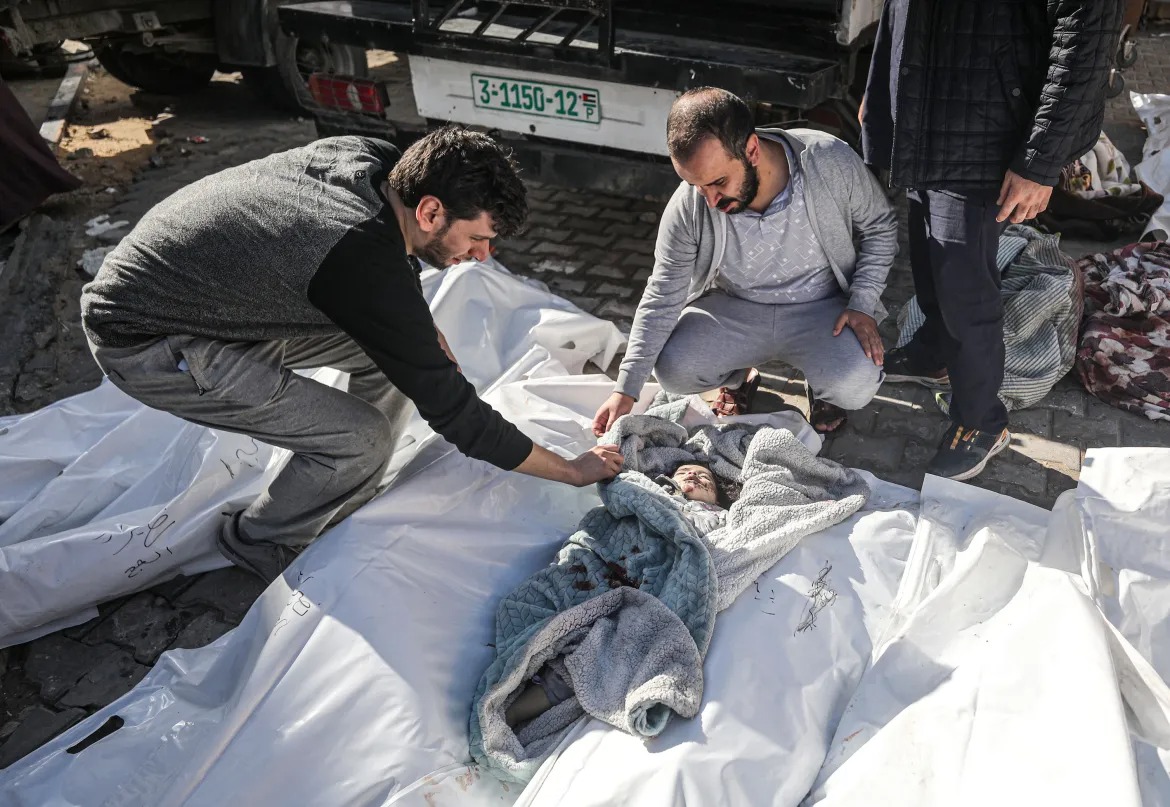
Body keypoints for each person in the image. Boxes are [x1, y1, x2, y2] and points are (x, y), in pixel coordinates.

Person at [80, 127, 622, 583]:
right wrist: (571, 470)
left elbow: (385, 280)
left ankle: (344, 492)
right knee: (361, 439)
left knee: (392, 371)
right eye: (477, 238)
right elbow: (459, 417)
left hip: (211, 302)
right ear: (430, 210)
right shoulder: (358, 254)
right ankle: (260, 544)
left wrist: (415, 329)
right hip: (148, 338)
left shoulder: (383, 164)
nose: (482, 256)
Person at [860, 0, 1120, 480]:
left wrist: (1040, 161)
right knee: (927, 253)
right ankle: (934, 352)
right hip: (925, 113)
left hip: (991, 129)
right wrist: (879, 92)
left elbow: (1084, 39)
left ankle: (982, 420)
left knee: (963, 284)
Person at [592, 88, 897, 439]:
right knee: (674, 368)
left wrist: (862, 302)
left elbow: (881, 226)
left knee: (856, 382)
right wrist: (625, 389)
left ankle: (823, 389)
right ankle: (740, 379)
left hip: (822, 311)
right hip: (734, 311)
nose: (710, 199)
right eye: (696, 185)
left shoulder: (828, 160)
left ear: (751, 150)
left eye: (719, 182)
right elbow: (662, 293)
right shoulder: (691, 203)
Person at [504, 460, 736, 728]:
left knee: (609, 646)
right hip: (609, 561)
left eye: (705, 478)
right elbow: (619, 487)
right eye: (684, 472)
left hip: (654, 577)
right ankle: (520, 667)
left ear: (717, 498)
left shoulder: (720, 518)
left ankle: (515, 709)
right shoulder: (650, 490)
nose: (693, 474)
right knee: (539, 603)